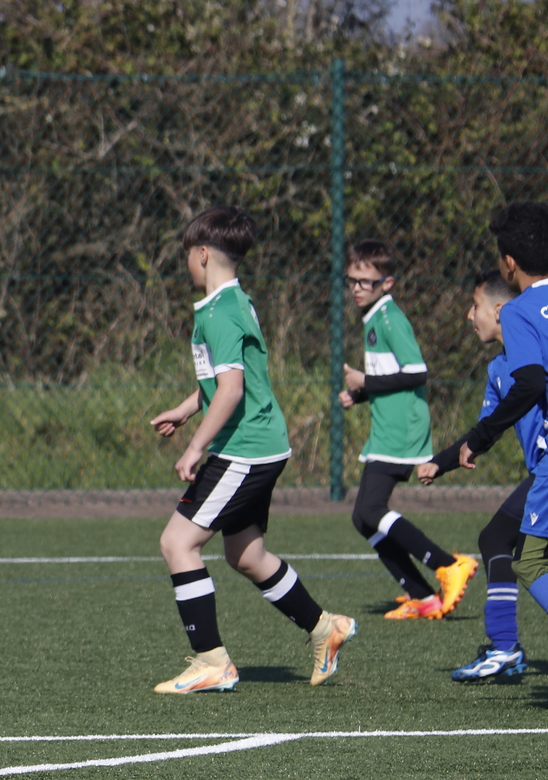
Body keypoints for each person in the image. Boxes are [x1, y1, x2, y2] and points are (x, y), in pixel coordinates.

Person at [148, 205, 356, 693]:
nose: (186, 263)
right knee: (246, 554)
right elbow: (222, 380)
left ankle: (212, 661)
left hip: (243, 449)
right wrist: (186, 410)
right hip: (262, 445)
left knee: (177, 543)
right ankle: (325, 628)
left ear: (202, 254)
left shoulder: (220, 313)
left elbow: (231, 391)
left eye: (187, 255)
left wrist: (194, 447)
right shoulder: (234, 302)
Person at [336, 239, 476, 619]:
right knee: (362, 518)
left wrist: (365, 381)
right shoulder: (373, 317)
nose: (357, 288)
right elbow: (392, 376)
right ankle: (422, 595)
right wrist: (360, 394)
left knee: (370, 509)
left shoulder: (389, 318)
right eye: (352, 280)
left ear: (387, 283)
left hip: (401, 429)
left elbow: (417, 373)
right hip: (387, 425)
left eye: (366, 281)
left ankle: (448, 565)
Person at [416, 270, 543, 680]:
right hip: (541, 476)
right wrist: (442, 462)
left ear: (500, 310)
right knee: (499, 540)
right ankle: (504, 647)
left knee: (505, 545)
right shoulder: (498, 370)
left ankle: (505, 646)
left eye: (475, 306)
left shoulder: (534, 361)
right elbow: (484, 432)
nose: (469, 316)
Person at [484, 203, 548, 643]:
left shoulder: (518, 311)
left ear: (509, 263)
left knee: (528, 560)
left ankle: (504, 646)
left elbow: (529, 382)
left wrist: (482, 435)